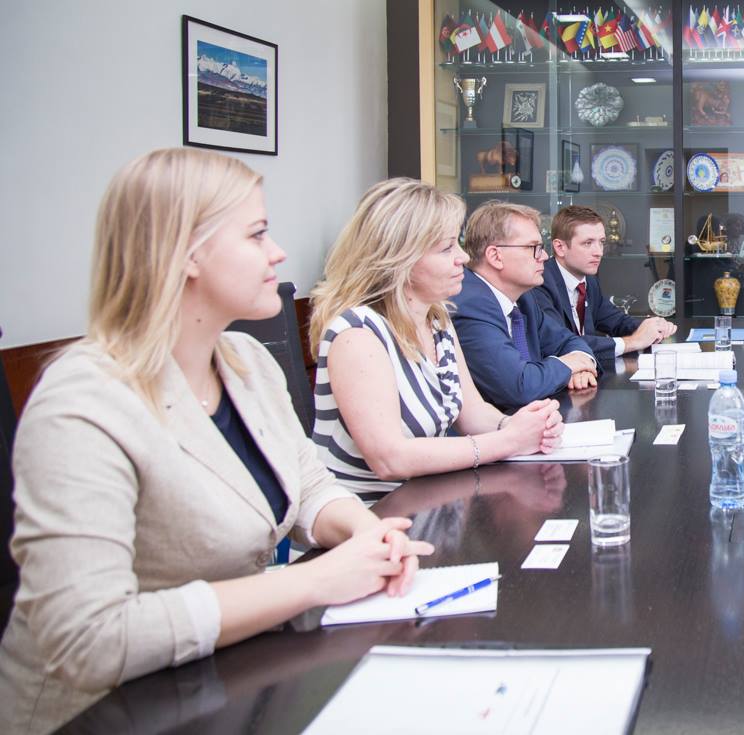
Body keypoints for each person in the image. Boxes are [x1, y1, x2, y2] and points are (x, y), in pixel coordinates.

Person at [0, 149, 432, 733]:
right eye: (256, 234)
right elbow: (88, 639)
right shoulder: (83, 402)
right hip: (102, 714)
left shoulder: (246, 361)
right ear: (185, 254)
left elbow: (308, 485)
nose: (278, 253)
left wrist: (365, 532)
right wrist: (314, 580)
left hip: (223, 684)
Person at [308, 180, 565, 493]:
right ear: (399, 259)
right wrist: (508, 441)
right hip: (372, 515)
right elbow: (390, 458)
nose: (464, 258)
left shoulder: (437, 321)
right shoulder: (358, 333)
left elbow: (473, 414)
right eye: (446, 249)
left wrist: (519, 425)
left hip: (429, 502)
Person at [450, 201, 598, 410]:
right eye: (534, 248)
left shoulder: (524, 299)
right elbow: (519, 386)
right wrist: (567, 366)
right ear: (495, 256)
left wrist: (581, 364)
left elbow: (569, 341)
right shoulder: (470, 305)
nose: (544, 257)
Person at [535, 205, 676, 360]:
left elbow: (616, 321)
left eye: (601, 242)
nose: (599, 252)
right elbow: (561, 344)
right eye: (588, 243)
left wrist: (652, 327)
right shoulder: (540, 283)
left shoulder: (589, 281)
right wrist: (634, 342)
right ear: (560, 247)